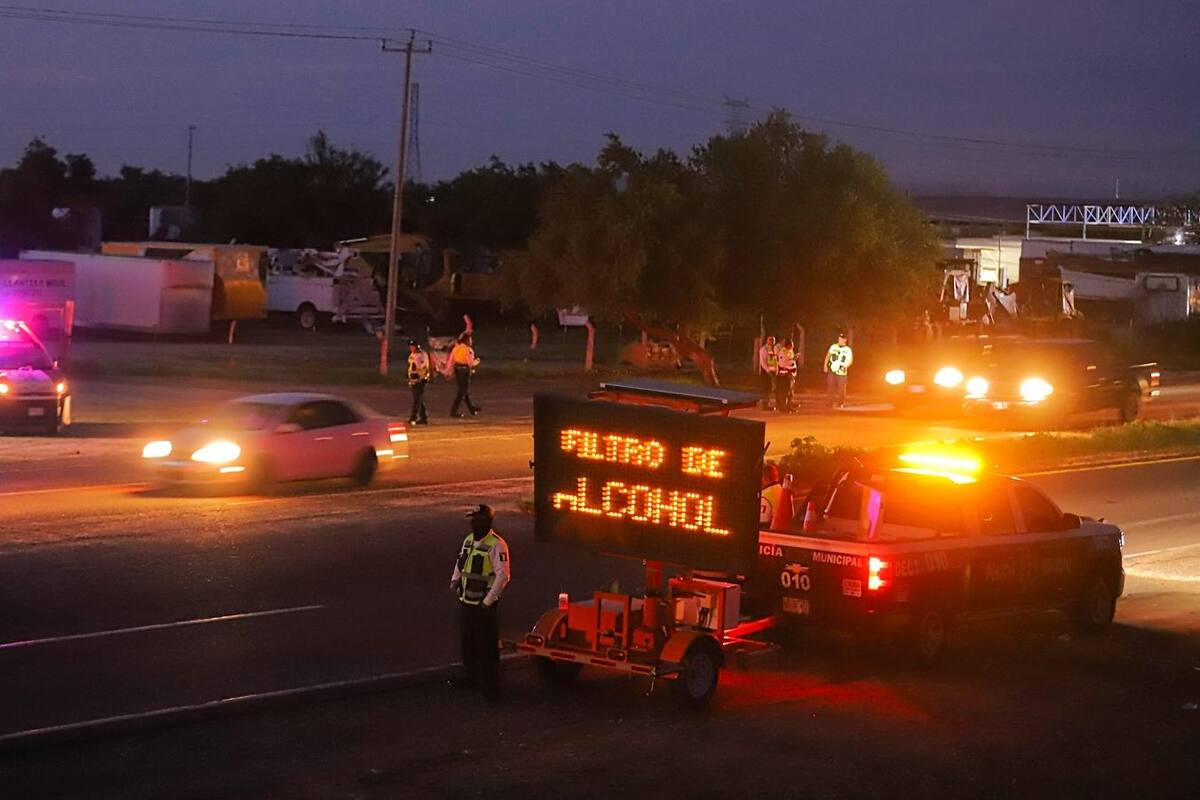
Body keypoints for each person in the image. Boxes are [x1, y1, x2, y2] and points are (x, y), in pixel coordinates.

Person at [450, 504, 510, 700]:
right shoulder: (468, 541)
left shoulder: (497, 545)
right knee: (468, 645)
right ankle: (471, 679)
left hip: (484, 607)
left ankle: (491, 689)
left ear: (486, 522)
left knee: (487, 649)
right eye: (472, 520)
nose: (473, 524)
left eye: (476, 520)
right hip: (466, 602)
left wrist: (488, 601)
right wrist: (454, 580)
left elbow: (503, 577)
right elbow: (461, 562)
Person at [448, 333, 481, 417]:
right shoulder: (468, 349)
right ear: (466, 340)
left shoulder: (456, 348)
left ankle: (472, 408)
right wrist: (476, 362)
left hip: (457, 370)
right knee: (462, 392)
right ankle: (453, 411)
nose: (471, 341)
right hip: (464, 371)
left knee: (463, 390)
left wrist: (449, 371)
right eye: (470, 339)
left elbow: (451, 360)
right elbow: (470, 363)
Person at [824, 331, 853, 408]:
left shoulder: (847, 350)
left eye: (842, 338)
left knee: (841, 388)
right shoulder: (833, 347)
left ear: (845, 340)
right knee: (830, 386)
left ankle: (840, 402)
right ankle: (830, 402)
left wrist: (845, 366)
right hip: (832, 370)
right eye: (839, 338)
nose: (840, 340)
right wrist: (825, 365)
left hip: (841, 371)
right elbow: (828, 356)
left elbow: (850, 360)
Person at [406, 340, 431, 425]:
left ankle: (413, 417)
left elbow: (421, 367)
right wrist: (409, 377)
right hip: (413, 380)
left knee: (417, 399)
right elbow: (410, 366)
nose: (411, 348)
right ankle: (423, 418)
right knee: (418, 399)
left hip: (421, 379)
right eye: (410, 346)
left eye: (413, 346)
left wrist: (416, 373)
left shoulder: (423, 355)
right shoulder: (412, 355)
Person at [775, 338, 797, 413]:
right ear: (788, 345)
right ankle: (783, 407)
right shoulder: (783, 352)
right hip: (784, 375)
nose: (793, 346)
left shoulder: (790, 351)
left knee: (790, 392)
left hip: (790, 375)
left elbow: (792, 363)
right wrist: (793, 360)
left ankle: (788, 406)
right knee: (784, 392)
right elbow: (783, 364)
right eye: (791, 345)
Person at [757, 335, 778, 411]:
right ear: (767, 341)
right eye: (770, 340)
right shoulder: (763, 349)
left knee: (769, 389)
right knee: (765, 389)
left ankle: (768, 404)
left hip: (772, 372)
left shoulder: (773, 349)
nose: (772, 342)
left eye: (773, 340)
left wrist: (776, 370)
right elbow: (763, 362)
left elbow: (775, 361)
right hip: (765, 372)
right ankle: (764, 405)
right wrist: (768, 371)